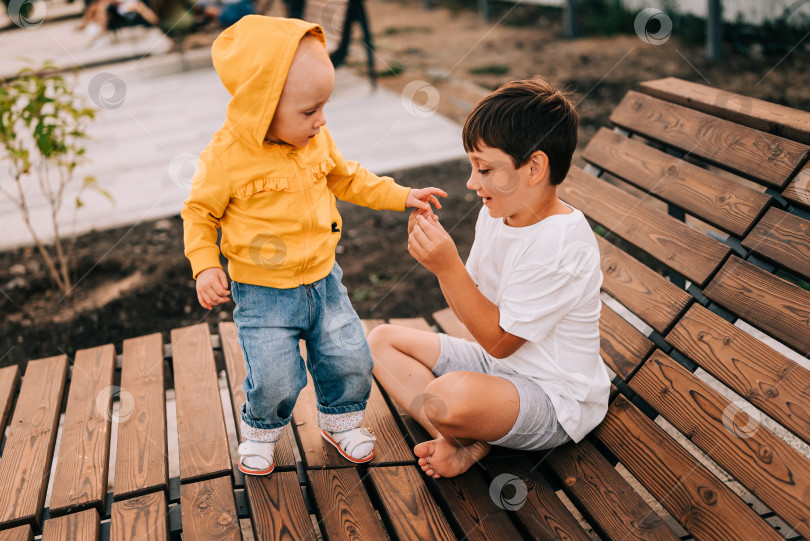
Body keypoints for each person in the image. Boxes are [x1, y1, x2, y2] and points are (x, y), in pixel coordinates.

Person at [181, 15, 445, 476]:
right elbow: (199, 214)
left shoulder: (315, 139)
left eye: (324, 106)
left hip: (324, 282)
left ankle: (340, 421)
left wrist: (401, 195)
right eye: (309, 110)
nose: (321, 119)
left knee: (348, 357)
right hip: (262, 295)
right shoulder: (224, 158)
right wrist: (205, 265)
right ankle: (262, 430)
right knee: (276, 375)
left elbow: (348, 178)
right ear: (262, 106)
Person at [369, 77, 610, 479]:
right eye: (472, 167)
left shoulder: (562, 243)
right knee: (379, 341)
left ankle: (467, 429)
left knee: (448, 396)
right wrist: (443, 262)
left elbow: (500, 342)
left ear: (533, 167)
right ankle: (464, 439)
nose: (471, 182)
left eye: (484, 169)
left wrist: (447, 266)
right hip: (496, 371)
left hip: (553, 397)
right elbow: (473, 309)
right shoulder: (497, 214)